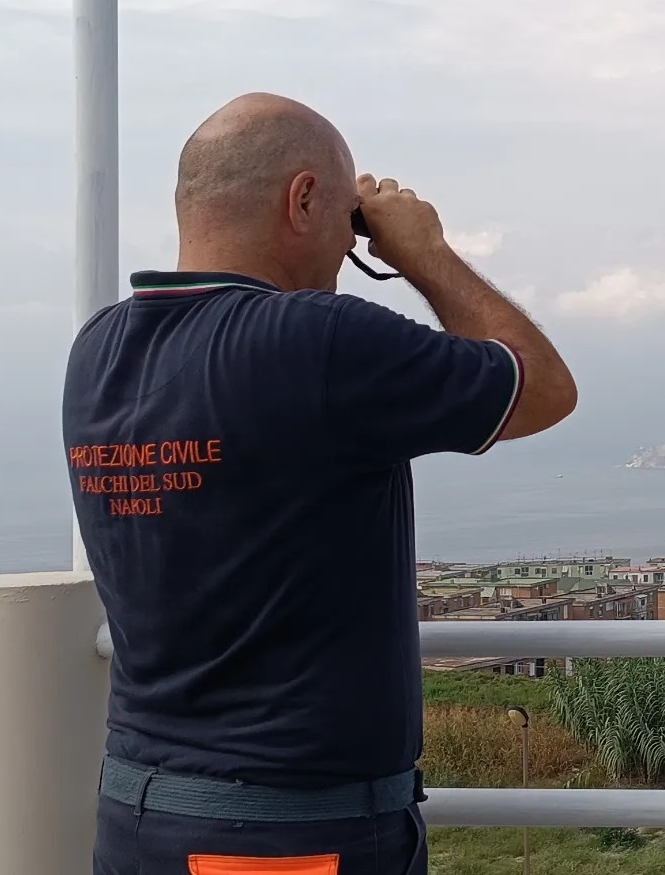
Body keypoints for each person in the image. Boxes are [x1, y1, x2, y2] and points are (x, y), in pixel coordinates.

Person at [63, 92, 577, 874]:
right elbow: (542, 388)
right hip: (289, 840)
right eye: (349, 224)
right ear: (302, 200)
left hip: (138, 821)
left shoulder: (97, 351)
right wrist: (423, 253)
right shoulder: (316, 341)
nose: (346, 251)